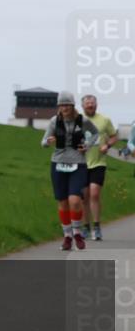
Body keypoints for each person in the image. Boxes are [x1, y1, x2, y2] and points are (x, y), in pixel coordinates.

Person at [41, 91, 98, 251]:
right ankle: (67, 236)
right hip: (58, 163)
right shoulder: (54, 121)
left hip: (78, 164)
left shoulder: (82, 120)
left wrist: (87, 145)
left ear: (73, 106)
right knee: (63, 202)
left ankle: (77, 232)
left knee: (75, 200)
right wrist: (48, 141)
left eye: (67, 105)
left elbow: (95, 134)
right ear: (59, 106)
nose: (64, 108)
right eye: (62, 105)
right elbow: (43, 142)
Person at [79, 94, 119, 240]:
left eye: (93, 103)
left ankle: (96, 227)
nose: (90, 105)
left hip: (98, 162)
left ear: (96, 105)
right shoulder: (77, 120)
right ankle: (85, 228)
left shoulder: (104, 120)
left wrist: (107, 145)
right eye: (88, 103)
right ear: (82, 106)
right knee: (84, 197)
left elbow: (114, 136)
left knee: (94, 194)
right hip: (81, 163)